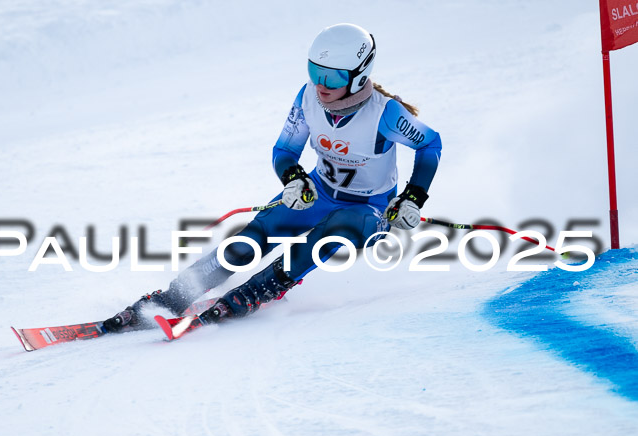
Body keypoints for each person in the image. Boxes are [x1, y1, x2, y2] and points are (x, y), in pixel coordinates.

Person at [102, 23, 442, 332]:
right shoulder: (308, 97)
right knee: (259, 233)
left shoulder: (384, 113)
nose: (322, 85)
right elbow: (284, 151)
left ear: (358, 74)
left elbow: (430, 144)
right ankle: (174, 297)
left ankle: (254, 293)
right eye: (315, 72)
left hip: (371, 209)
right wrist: (294, 178)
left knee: (335, 228)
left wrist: (412, 198)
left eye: (334, 77)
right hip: (319, 192)